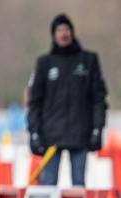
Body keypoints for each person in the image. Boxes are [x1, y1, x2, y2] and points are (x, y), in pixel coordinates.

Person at [27, 13, 108, 186]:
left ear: (72, 32)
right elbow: (34, 102)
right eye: (59, 30)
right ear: (53, 35)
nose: (63, 34)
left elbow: (99, 99)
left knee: (78, 186)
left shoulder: (88, 61)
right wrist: (33, 131)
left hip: (80, 134)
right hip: (51, 136)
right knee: (48, 185)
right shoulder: (44, 63)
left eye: (66, 30)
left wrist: (97, 129)